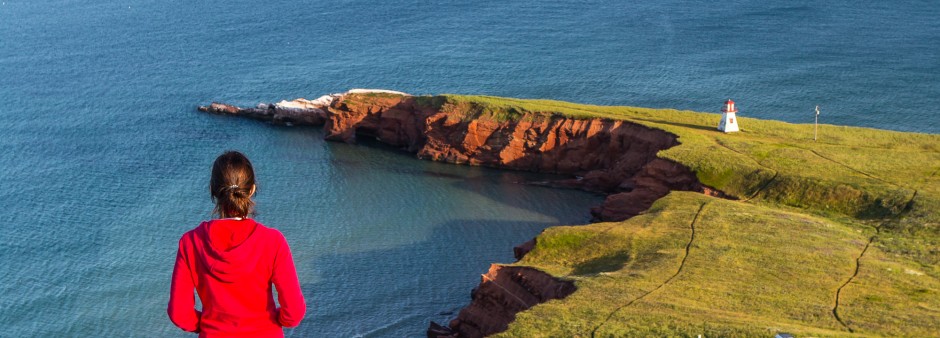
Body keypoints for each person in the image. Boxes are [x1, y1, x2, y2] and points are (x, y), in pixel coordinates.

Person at [168, 151, 306, 337]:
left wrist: (210, 327)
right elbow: (294, 313)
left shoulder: (190, 242)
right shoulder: (273, 242)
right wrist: (271, 324)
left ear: (213, 190)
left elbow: (179, 313)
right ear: (251, 190)